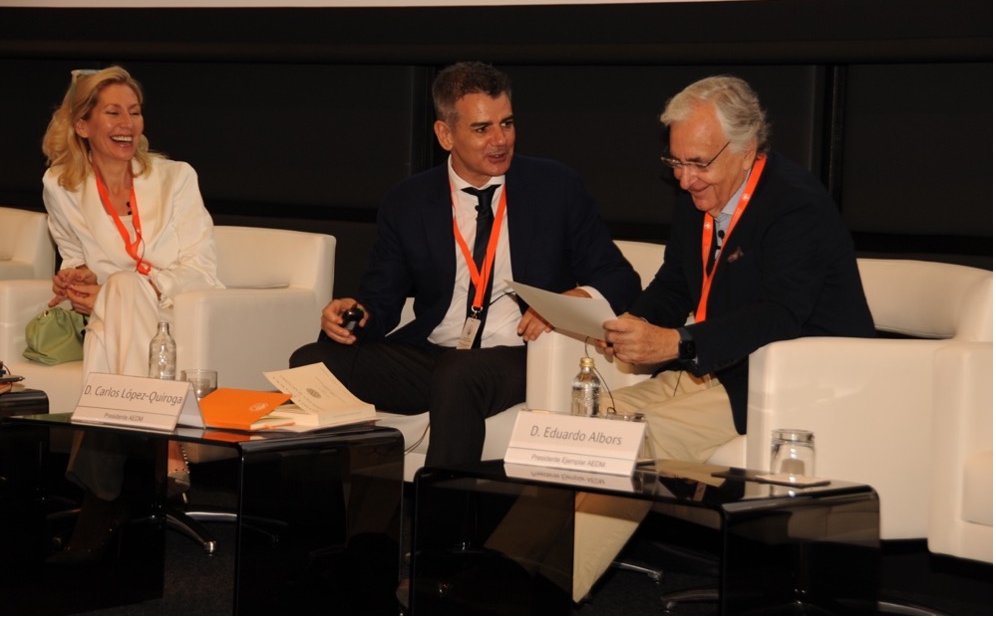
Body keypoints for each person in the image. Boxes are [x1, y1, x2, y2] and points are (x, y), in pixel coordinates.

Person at [290, 61, 641, 466]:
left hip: (519, 355)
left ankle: (444, 505)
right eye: (481, 129)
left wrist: (568, 302)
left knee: (458, 373)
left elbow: (620, 279)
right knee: (310, 362)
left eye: (507, 124)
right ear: (445, 134)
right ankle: (344, 506)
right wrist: (353, 315)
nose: (500, 140)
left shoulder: (554, 187)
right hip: (434, 354)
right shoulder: (409, 201)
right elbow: (380, 301)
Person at [598, 74, 876, 461]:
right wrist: (634, 323)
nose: (684, 179)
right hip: (723, 369)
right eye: (676, 161)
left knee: (634, 438)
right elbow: (676, 283)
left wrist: (676, 342)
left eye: (699, 163)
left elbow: (779, 315)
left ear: (747, 151)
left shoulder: (796, 206)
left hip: (796, 380)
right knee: (592, 418)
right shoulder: (697, 197)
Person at [41, 66, 223, 561]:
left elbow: (203, 270)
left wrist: (136, 286)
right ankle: (164, 446)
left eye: (135, 112)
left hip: (180, 310)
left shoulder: (176, 177)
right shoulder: (61, 184)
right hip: (114, 317)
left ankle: (103, 493)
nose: (128, 124)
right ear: (83, 125)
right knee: (118, 297)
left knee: (123, 289)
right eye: (113, 112)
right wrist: (73, 279)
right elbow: (74, 257)